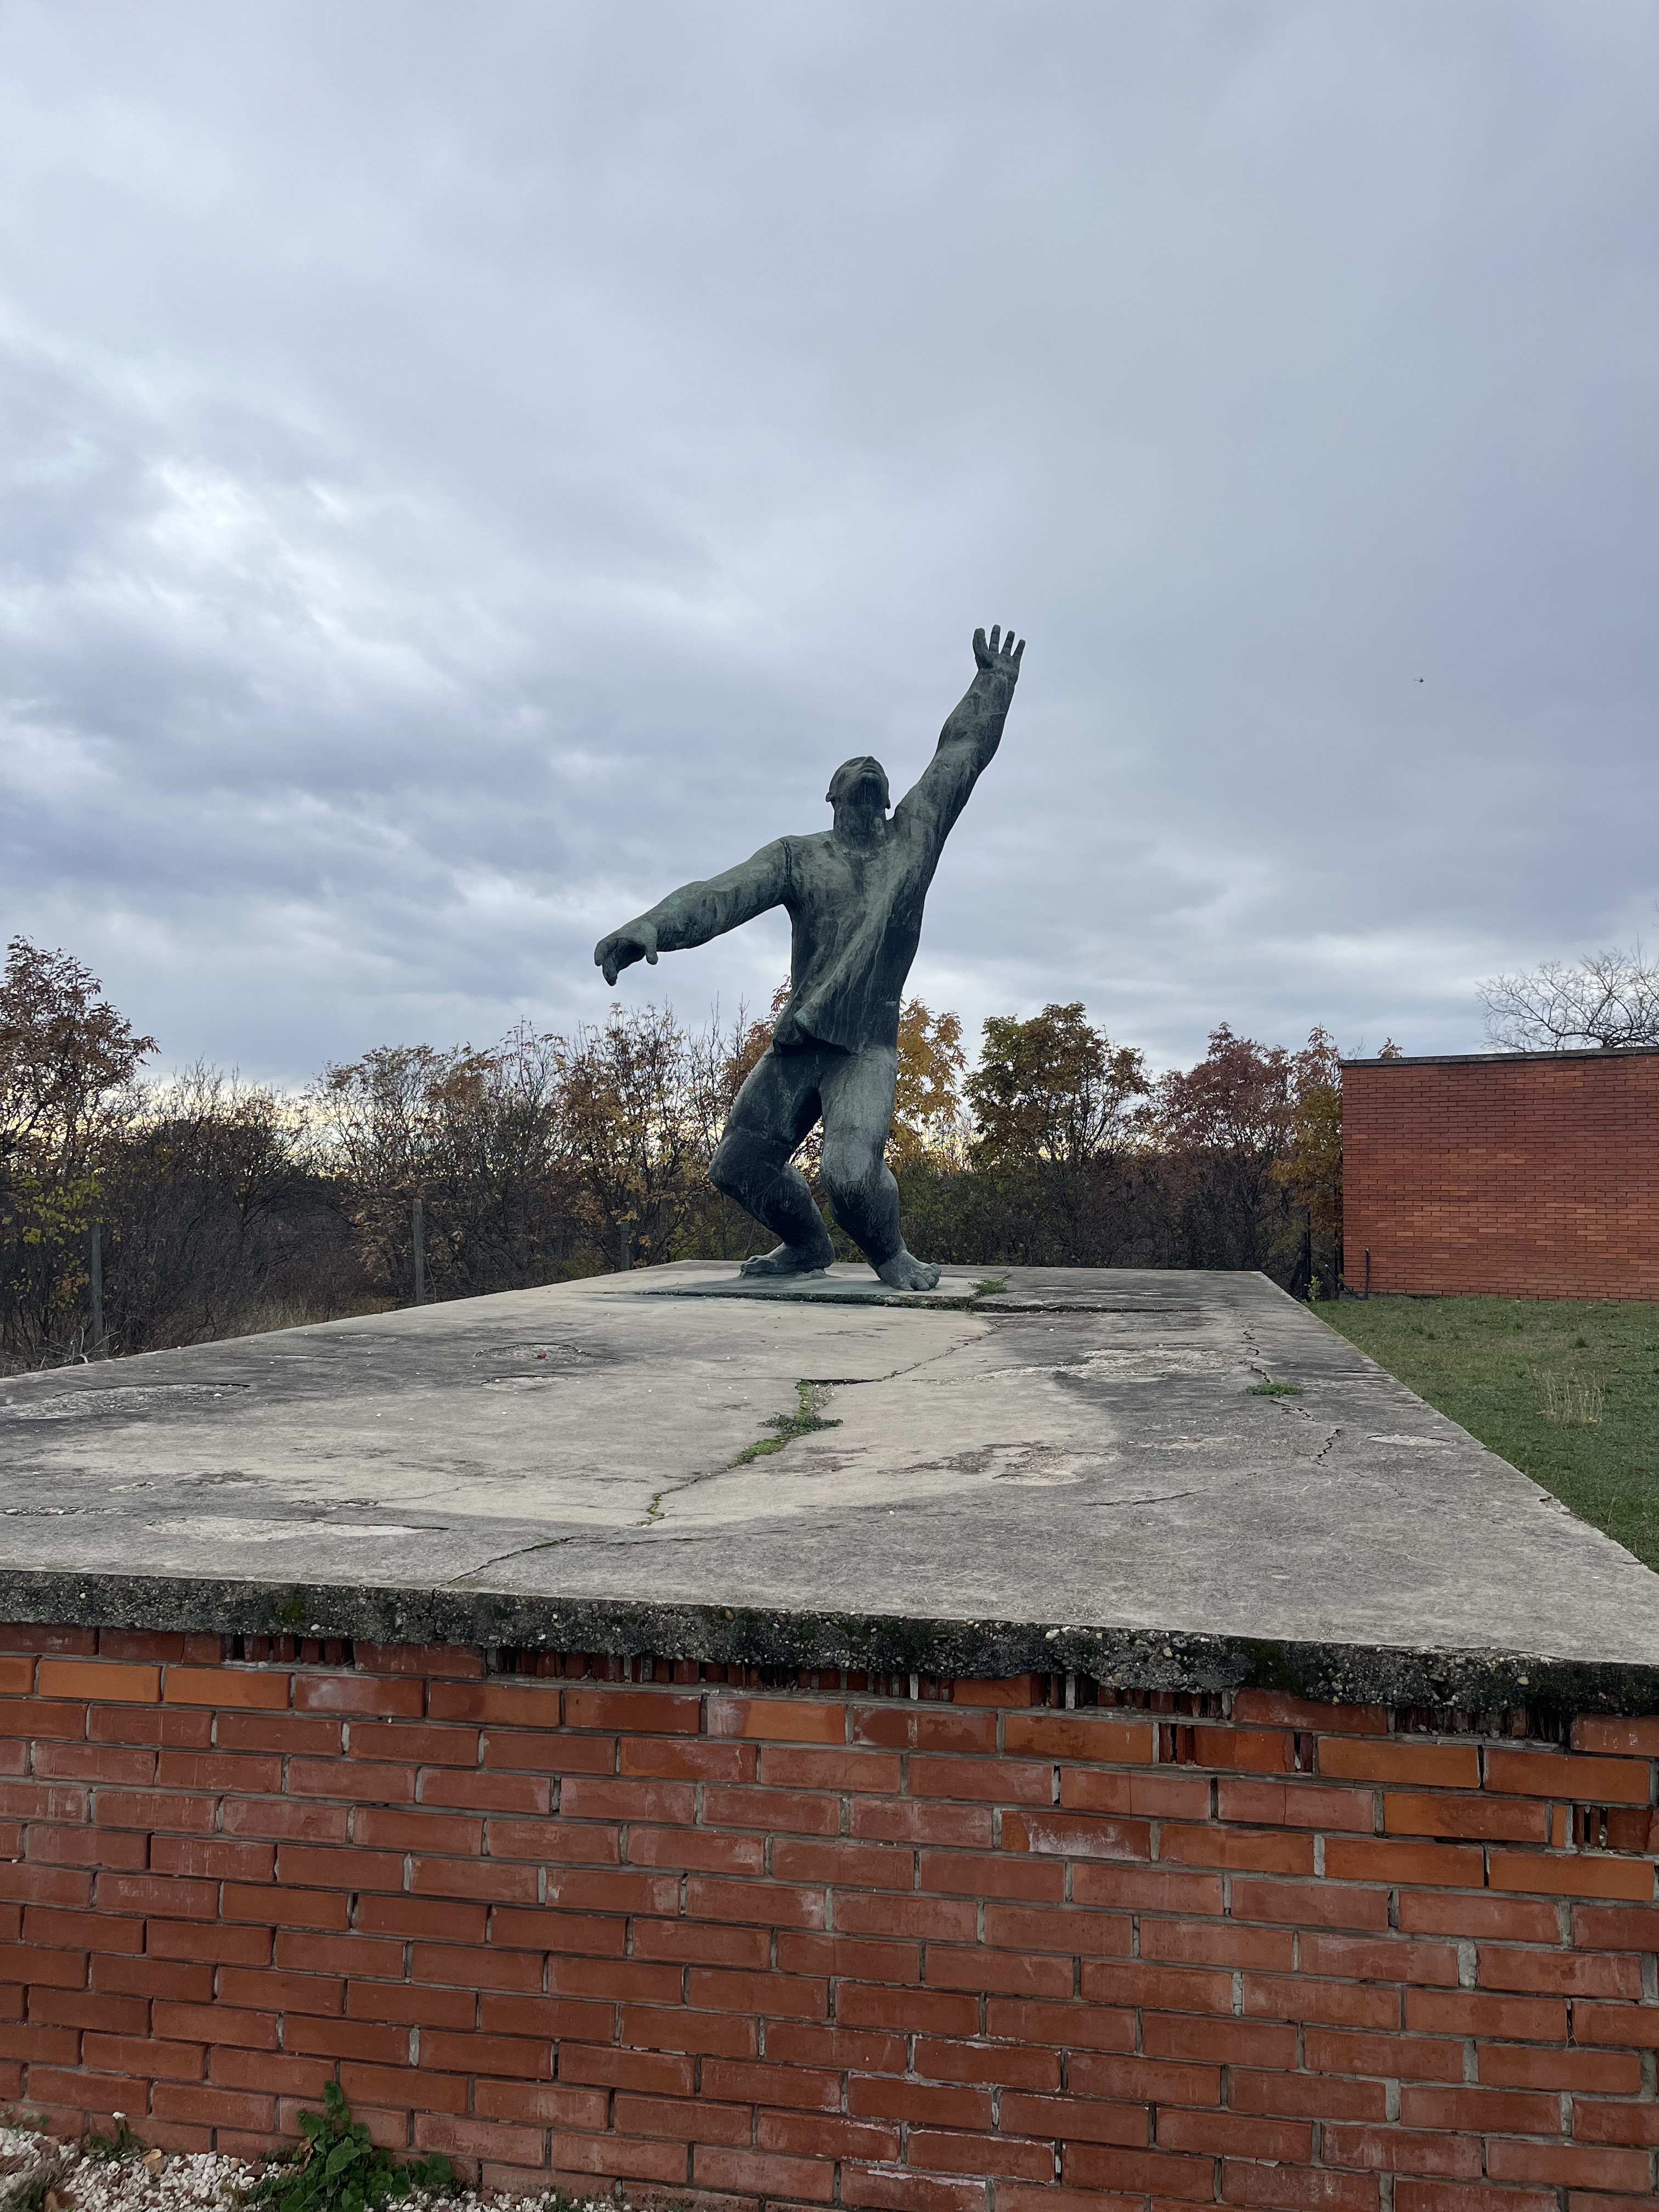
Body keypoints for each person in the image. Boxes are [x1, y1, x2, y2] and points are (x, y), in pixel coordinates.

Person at [595, 624, 1025, 1289]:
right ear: (832, 797)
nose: (870, 773)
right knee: (737, 1168)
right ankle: (806, 1247)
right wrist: (652, 926)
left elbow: (958, 754)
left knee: (850, 1174)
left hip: (864, 1049)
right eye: (856, 773)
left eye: (877, 776)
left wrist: (993, 683)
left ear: (887, 799)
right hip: (798, 1047)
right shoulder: (799, 856)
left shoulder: (912, 841)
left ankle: (891, 1254)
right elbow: (721, 894)